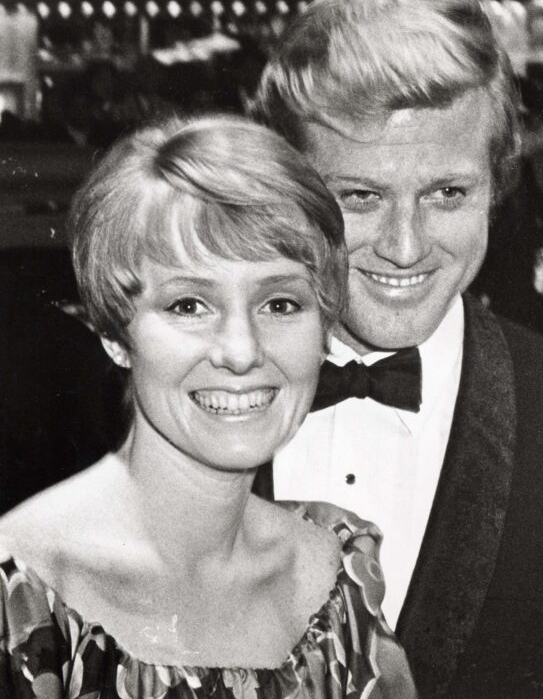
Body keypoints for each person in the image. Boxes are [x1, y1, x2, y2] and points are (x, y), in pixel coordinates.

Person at [252, 0, 543, 697]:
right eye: (358, 196)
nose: (403, 245)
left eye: (446, 194)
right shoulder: (154, 404)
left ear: (496, 183)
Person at [0, 115, 416, 699]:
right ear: (116, 335)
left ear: (325, 327)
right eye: (189, 305)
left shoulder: (340, 566)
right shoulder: (21, 596)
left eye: (279, 303)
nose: (242, 352)